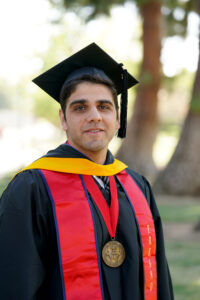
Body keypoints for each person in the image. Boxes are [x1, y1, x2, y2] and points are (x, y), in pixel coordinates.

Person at [0, 43, 174, 300]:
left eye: (104, 106)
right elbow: (15, 285)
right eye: (80, 107)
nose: (94, 116)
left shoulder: (137, 186)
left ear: (117, 118)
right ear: (63, 119)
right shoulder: (31, 189)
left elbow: (159, 280)